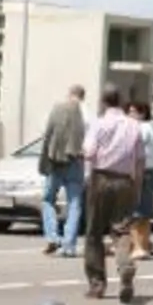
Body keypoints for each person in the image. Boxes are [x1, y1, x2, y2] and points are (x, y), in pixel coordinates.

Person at [81, 83, 144, 302]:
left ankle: (97, 284)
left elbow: (89, 153)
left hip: (101, 178)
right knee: (122, 230)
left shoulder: (98, 124)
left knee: (94, 232)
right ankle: (125, 266)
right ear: (121, 101)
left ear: (103, 102)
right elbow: (139, 160)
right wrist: (136, 187)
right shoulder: (134, 125)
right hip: (125, 181)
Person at [38, 85, 88, 256]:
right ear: (83, 96)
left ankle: (52, 237)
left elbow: (47, 134)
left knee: (48, 199)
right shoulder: (87, 113)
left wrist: (44, 161)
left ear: (69, 94)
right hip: (77, 161)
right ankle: (69, 245)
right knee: (75, 203)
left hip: (56, 161)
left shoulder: (57, 108)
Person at [126, 102, 153, 260]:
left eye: (134, 112)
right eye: (129, 111)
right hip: (150, 171)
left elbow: (132, 151)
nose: (130, 115)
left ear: (142, 113)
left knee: (134, 212)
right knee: (145, 212)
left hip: (139, 172)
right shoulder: (150, 128)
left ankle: (137, 247)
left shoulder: (140, 129)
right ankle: (144, 245)